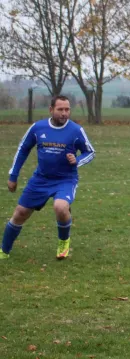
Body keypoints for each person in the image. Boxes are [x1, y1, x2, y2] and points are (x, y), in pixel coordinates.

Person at [1, 95, 95, 260]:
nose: (64, 113)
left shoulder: (76, 130)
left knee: (60, 207)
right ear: (51, 110)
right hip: (41, 179)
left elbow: (90, 152)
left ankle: (63, 242)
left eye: (67, 109)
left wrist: (77, 160)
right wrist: (13, 175)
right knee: (20, 213)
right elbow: (23, 149)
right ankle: (4, 250)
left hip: (65, 179)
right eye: (60, 109)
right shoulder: (38, 128)